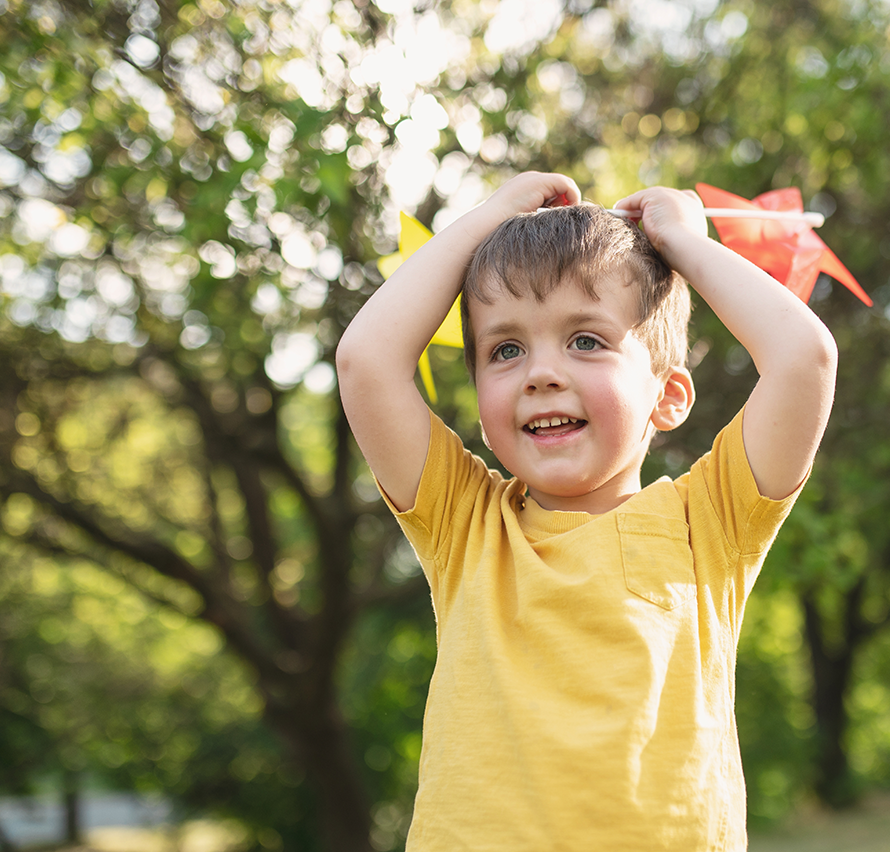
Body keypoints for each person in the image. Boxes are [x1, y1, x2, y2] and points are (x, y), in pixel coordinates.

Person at [336, 171, 838, 851]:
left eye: (586, 340)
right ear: (482, 406)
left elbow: (803, 358)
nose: (542, 372)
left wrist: (684, 246)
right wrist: (486, 220)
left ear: (668, 395)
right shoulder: (465, 523)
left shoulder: (712, 520)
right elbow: (366, 360)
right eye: (505, 349)